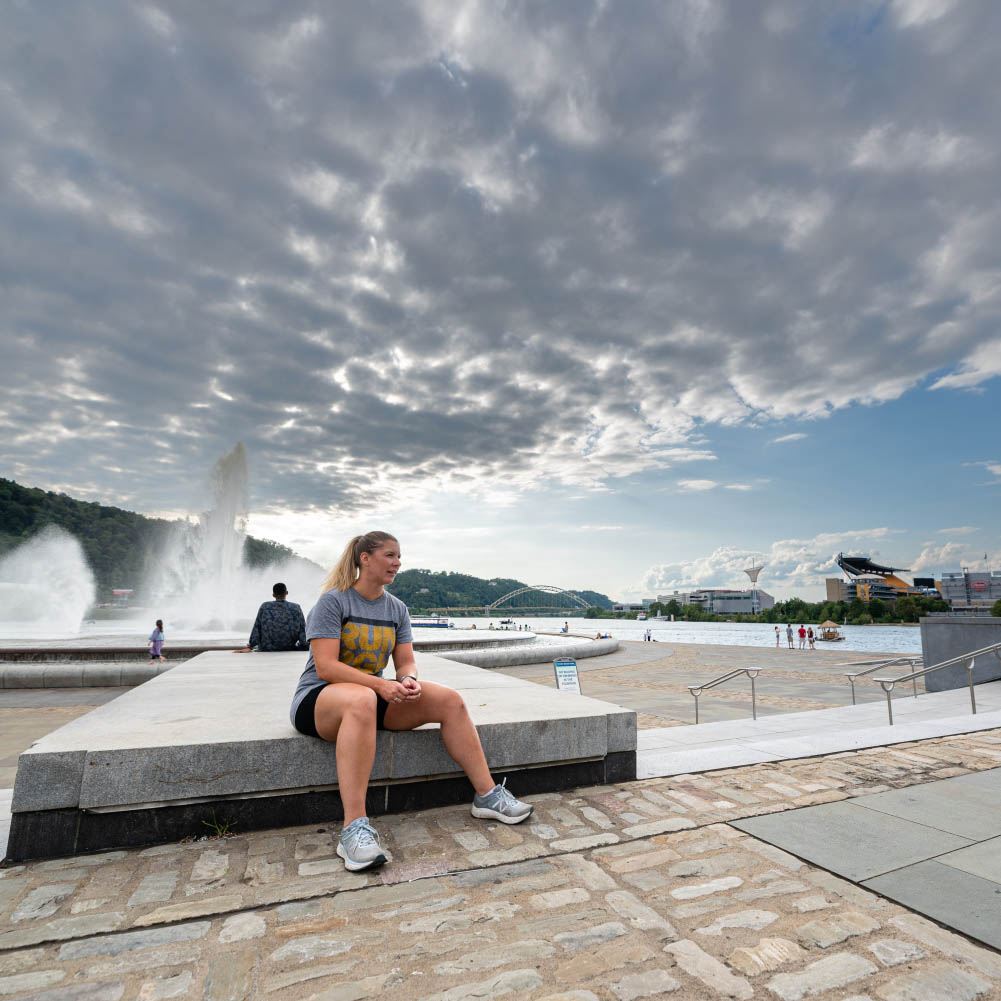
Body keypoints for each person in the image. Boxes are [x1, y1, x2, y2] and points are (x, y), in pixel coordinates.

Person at [290, 531, 533, 873]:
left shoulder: (397, 609)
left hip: (371, 696)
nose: (397, 562)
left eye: (399, 556)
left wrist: (407, 680)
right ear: (365, 559)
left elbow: (405, 660)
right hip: (319, 699)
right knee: (362, 699)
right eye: (390, 555)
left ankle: (487, 795)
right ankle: (354, 829)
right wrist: (380, 685)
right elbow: (327, 666)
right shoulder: (334, 602)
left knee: (450, 700)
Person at [234, 582, 307, 653]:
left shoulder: (265, 606)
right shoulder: (296, 607)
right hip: (289, 646)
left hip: (267, 647)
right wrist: (305, 645)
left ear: (273, 595)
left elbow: (257, 628)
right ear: (286, 593)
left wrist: (250, 647)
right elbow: (303, 629)